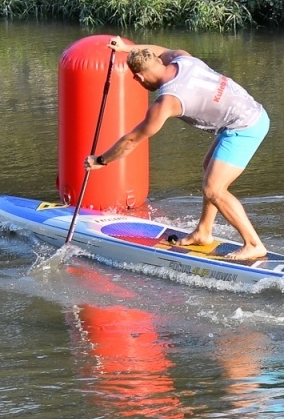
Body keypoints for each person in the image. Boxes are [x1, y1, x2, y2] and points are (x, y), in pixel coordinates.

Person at [86, 37, 269, 260]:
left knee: (214, 189)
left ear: (139, 77)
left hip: (245, 126)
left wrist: (101, 160)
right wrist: (126, 49)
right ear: (158, 62)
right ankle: (203, 231)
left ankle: (253, 244)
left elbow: (131, 140)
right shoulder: (182, 58)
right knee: (209, 168)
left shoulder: (168, 101)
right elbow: (159, 49)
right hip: (250, 112)